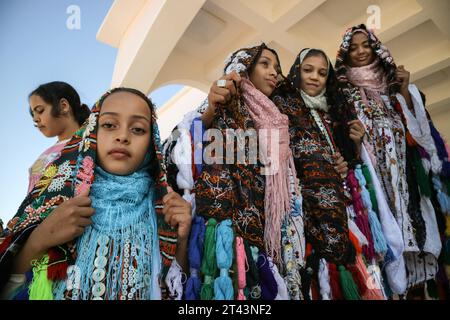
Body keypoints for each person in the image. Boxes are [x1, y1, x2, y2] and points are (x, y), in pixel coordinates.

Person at [0, 88, 191, 300]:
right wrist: (39, 239)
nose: (122, 136)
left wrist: (181, 242)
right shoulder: (59, 196)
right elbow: (9, 284)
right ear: (92, 132)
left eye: (137, 129)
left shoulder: (163, 208)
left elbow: (174, 292)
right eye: (109, 125)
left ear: (151, 143)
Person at [335, 24, 449, 298]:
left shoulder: (396, 88)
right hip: (372, 180)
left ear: (377, 50)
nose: (361, 51)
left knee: (417, 264)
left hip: (406, 179)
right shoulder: (341, 93)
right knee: (384, 251)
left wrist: (406, 92)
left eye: (366, 45)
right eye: (353, 47)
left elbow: (422, 139)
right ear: (345, 55)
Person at [27, 81, 91, 193]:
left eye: (39, 111)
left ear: (63, 106)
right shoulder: (41, 160)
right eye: (33, 114)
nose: (35, 119)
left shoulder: (94, 141)